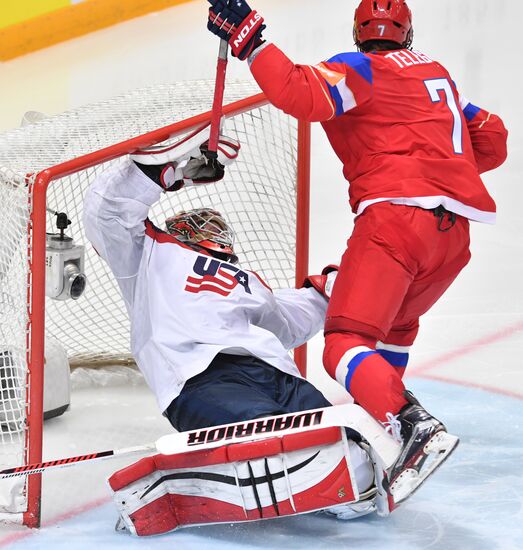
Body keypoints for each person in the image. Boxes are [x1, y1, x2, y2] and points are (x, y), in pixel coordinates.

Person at [206, 0, 509, 498]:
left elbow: (300, 93)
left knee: (344, 340)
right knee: (393, 328)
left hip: (394, 225)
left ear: (357, 33)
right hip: (453, 239)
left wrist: (249, 36)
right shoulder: (437, 76)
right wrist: (437, 160)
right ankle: (389, 439)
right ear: (408, 35)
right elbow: (492, 139)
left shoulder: (360, 68)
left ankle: (412, 425)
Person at [83, 128, 380, 535]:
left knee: (341, 440)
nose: (213, 229)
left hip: (274, 375)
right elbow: (108, 212)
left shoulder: (245, 278)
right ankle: (179, 485)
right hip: (201, 380)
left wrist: (332, 290)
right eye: (201, 223)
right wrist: (164, 172)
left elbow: (287, 322)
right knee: (268, 438)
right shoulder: (148, 253)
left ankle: (342, 485)